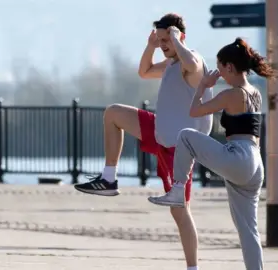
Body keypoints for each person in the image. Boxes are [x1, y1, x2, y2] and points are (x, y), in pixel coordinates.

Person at [74, 13, 213, 270]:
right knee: (113, 113)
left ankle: (193, 267)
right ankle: (109, 178)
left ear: (179, 36)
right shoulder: (171, 63)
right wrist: (150, 46)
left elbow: (192, 64)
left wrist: (176, 40)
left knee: (180, 211)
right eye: (160, 40)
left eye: (166, 40)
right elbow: (144, 71)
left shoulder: (191, 61)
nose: (163, 45)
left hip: (180, 148)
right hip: (160, 131)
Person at [148, 37, 276, 270]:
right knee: (249, 231)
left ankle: (178, 190)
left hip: (238, 156)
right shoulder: (254, 93)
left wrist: (203, 86)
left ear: (229, 67)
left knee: (186, 135)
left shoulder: (231, 94)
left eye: (220, 68)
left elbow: (195, 110)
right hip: (255, 163)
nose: (219, 74)